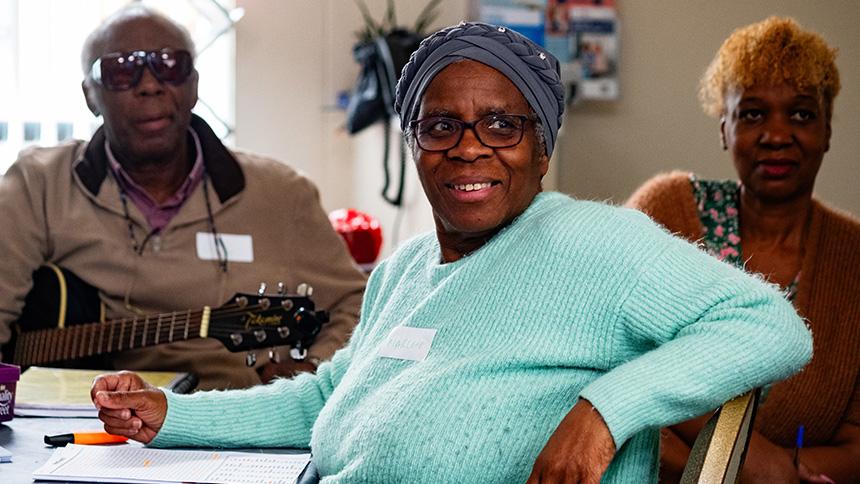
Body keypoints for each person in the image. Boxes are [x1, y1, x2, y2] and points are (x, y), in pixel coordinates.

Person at [90, 22, 812, 483]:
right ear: (415, 146)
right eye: (441, 126)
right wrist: (171, 415)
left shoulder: (595, 242)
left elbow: (768, 326)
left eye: (501, 123)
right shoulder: (405, 266)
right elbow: (327, 397)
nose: (470, 145)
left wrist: (604, 411)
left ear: (540, 147)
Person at [0, 6, 366, 390]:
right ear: (91, 95)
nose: (150, 85)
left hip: (234, 418)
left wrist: (312, 375)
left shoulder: (281, 194)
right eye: (122, 70)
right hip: (84, 421)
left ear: (194, 84)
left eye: (169, 65)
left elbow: (358, 304)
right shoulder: (39, 184)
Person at [626, 17, 860, 484]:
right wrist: (744, 465)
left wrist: (782, 473)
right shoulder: (666, 212)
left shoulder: (854, 260)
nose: (777, 135)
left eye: (801, 114)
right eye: (753, 114)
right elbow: (612, 370)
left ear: (828, 130)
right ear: (724, 128)